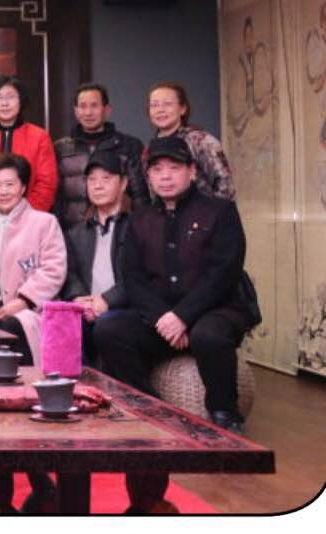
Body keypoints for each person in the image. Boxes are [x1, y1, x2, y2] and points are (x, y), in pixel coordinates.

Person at [95, 137, 257, 433]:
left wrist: (183, 316)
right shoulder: (140, 219)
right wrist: (162, 318)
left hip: (213, 309)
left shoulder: (220, 211)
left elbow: (224, 272)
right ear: (148, 176)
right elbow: (134, 278)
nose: (165, 177)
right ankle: (149, 407)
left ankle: (225, 413)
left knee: (208, 334)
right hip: (161, 315)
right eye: (157, 170)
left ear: (192, 171)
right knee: (109, 330)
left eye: (174, 168)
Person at [0, 153, 67, 368]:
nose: (3, 191)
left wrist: (23, 301)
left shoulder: (45, 222)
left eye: (10, 184)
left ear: (23, 187)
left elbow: (53, 270)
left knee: (11, 328)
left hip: (30, 310)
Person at [60, 150, 132, 368]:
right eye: (92, 180)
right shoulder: (76, 232)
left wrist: (107, 300)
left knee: (107, 325)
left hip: (124, 307)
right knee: (64, 321)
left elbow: (139, 277)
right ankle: (77, 384)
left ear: (123, 183)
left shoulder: (137, 226)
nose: (98, 186)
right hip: (87, 308)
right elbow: (70, 273)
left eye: (106, 179)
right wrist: (78, 299)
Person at [53, 82, 147, 232]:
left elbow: (140, 196)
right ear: (76, 111)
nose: (88, 112)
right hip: (71, 231)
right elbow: (56, 197)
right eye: (82, 106)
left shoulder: (129, 145)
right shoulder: (61, 148)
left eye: (94, 106)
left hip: (119, 231)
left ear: (107, 110)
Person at [0, 74, 58, 218]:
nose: (4, 103)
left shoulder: (39, 137)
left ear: (21, 100)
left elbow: (46, 184)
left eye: (10, 97)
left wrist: (25, 218)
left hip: (30, 219)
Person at [146, 82, 236, 201]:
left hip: (203, 210)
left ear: (183, 109)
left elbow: (225, 184)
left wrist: (215, 211)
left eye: (167, 104)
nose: (160, 110)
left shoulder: (200, 140)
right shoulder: (151, 146)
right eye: (154, 105)